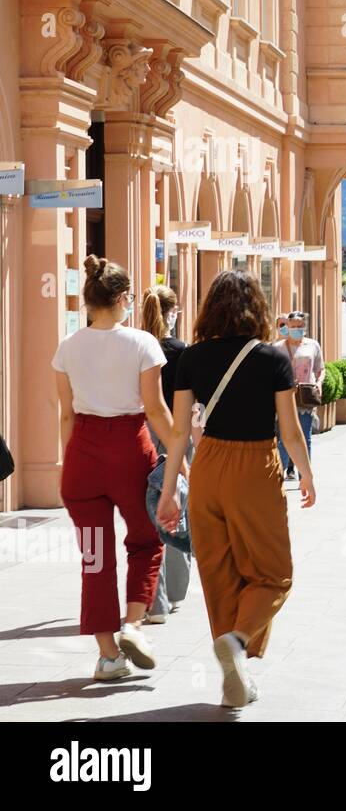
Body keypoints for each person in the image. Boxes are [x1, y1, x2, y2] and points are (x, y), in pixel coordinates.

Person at [158, 271, 315, 709]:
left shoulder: (190, 358)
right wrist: (305, 473)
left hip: (206, 468)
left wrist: (170, 491)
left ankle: (236, 678)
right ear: (258, 307)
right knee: (273, 573)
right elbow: (289, 430)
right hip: (253, 466)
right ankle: (238, 640)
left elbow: (177, 432)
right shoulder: (273, 358)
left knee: (219, 573)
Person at [53, 256, 171, 682]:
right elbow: (155, 410)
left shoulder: (68, 346)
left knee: (94, 557)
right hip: (129, 448)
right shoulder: (142, 343)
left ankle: (107, 657)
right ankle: (134, 625)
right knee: (146, 542)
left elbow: (66, 416)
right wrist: (179, 456)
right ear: (124, 298)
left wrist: (71, 462)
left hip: (83, 453)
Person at [140, 285, 192, 624]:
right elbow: (192, 401)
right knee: (175, 506)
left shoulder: (138, 347)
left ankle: (154, 598)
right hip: (174, 434)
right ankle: (174, 592)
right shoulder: (182, 352)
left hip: (142, 433)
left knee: (146, 515)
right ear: (172, 312)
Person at [276, 310, 323, 480]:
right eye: (293, 326)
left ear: (305, 327)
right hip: (284, 397)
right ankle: (278, 474)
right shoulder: (278, 348)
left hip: (305, 396)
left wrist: (319, 383)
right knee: (283, 438)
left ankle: (305, 476)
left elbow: (320, 368)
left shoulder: (313, 345)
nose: (297, 329)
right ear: (287, 326)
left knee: (306, 436)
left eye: (300, 326)